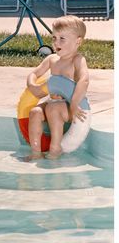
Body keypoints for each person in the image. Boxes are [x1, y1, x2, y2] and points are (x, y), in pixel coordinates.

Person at [26, 15, 90, 159]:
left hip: (70, 107)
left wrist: (73, 104)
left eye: (62, 39)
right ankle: (35, 151)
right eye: (54, 38)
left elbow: (84, 80)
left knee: (53, 108)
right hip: (52, 102)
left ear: (77, 41)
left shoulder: (77, 60)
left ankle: (55, 148)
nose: (56, 43)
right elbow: (34, 74)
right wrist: (31, 84)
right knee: (35, 112)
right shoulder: (51, 59)